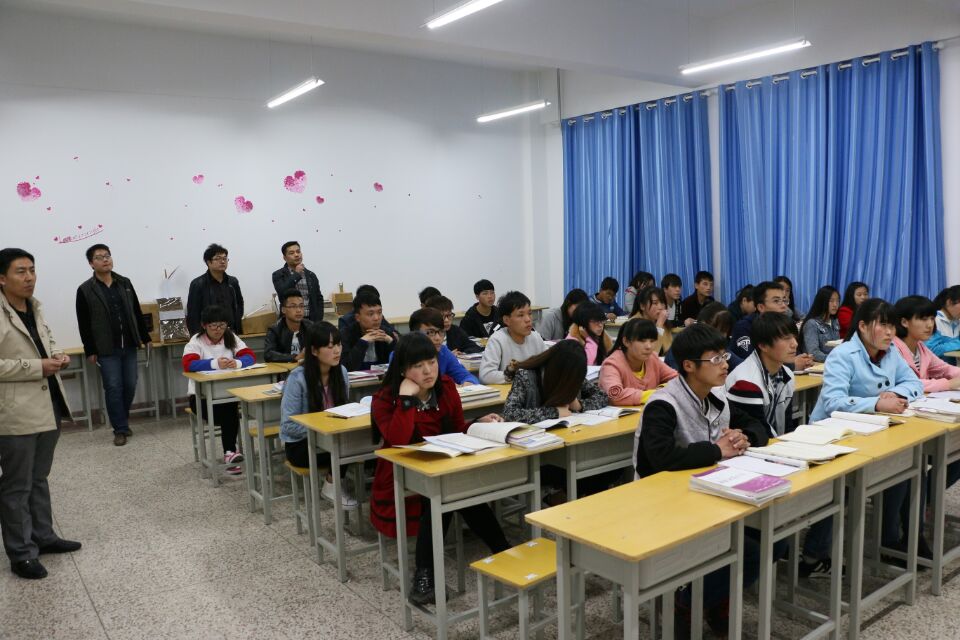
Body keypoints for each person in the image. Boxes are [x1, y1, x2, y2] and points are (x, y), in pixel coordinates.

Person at [635, 323, 777, 635]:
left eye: (724, 356)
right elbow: (661, 458)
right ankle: (689, 604)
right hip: (663, 502)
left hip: (709, 491)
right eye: (715, 359)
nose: (725, 364)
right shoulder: (663, 404)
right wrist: (716, 450)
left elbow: (758, 426)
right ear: (688, 366)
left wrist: (743, 437)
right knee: (752, 550)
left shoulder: (717, 396)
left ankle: (710, 600)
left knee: (776, 537)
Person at [370, 333, 509, 605]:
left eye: (432, 362)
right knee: (441, 496)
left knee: (453, 492)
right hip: (399, 477)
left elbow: (455, 429)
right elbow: (397, 440)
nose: (428, 371)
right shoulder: (385, 399)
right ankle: (431, 571)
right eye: (418, 365)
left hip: (441, 467)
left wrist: (477, 423)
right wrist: (406, 399)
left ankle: (432, 573)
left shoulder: (445, 387)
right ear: (403, 370)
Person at [800, 299, 924, 578]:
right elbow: (833, 401)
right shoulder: (843, 355)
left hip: (872, 433)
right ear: (863, 326)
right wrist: (876, 403)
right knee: (840, 492)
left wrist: (897, 394)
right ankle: (813, 555)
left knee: (902, 474)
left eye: (892, 326)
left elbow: (914, 382)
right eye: (883, 325)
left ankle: (888, 539)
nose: (890, 332)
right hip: (833, 435)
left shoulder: (890, 352)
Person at [0, 248, 81, 580]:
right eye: (21, 271)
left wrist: (59, 356)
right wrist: (37, 367)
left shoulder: (35, 307)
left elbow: (47, 341)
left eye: (32, 270)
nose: (29, 277)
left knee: (38, 477)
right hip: (15, 413)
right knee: (17, 484)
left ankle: (43, 536)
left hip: (49, 406)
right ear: (2, 278)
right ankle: (21, 553)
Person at [75, 243, 152, 446]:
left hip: (129, 344)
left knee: (130, 385)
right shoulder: (85, 290)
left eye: (107, 255)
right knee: (113, 387)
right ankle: (120, 429)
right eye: (99, 257)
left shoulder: (124, 283)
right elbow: (84, 323)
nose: (105, 259)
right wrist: (90, 349)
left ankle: (121, 420)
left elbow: (136, 311)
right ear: (91, 264)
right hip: (106, 348)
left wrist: (145, 337)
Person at [280, 322, 358, 509]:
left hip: (330, 439)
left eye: (338, 344)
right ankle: (332, 486)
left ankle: (333, 483)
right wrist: (322, 428)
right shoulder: (297, 378)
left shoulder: (341, 372)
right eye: (330, 347)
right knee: (343, 446)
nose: (337, 351)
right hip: (301, 445)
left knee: (357, 442)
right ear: (314, 351)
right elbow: (288, 426)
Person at [182, 305, 256, 475]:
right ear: (204, 325)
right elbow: (188, 364)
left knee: (229, 407)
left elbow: (250, 356)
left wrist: (238, 363)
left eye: (222, 325)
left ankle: (230, 453)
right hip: (199, 398)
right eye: (213, 326)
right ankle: (230, 452)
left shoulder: (231, 337)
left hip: (227, 396)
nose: (218, 330)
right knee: (230, 412)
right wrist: (214, 364)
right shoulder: (196, 341)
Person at [725, 312, 797, 437]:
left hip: (773, 443)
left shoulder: (787, 374)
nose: (795, 344)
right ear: (763, 345)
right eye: (786, 338)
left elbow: (787, 425)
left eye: (794, 337)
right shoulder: (745, 382)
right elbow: (757, 432)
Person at [729, 281, 815, 371]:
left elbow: (794, 354)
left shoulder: (785, 324)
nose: (784, 306)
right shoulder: (744, 327)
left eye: (784, 300)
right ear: (761, 307)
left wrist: (804, 360)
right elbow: (750, 363)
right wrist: (792, 365)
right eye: (776, 301)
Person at [599, 318, 678, 405]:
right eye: (642, 341)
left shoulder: (652, 358)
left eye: (652, 341)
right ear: (626, 341)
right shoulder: (611, 364)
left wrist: (662, 387)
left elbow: (679, 379)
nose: (648, 346)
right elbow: (615, 395)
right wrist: (657, 393)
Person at [479, 291, 547, 384]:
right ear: (506, 320)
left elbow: (548, 366)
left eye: (530, 313)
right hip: (509, 391)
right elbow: (486, 375)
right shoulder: (497, 339)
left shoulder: (535, 337)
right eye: (520, 315)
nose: (528, 319)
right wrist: (523, 376)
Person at [403, 308, 478, 385]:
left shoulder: (443, 352)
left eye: (441, 331)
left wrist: (468, 383)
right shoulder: (403, 354)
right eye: (430, 332)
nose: (438, 338)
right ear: (415, 334)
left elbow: (467, 376)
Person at [186, 243, 243, 335]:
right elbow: (193, 314)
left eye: (225, 258)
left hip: (231, 332)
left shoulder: (232, 282)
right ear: (208, 262)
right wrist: (197, 336)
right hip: (208, 334)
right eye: (218, 258)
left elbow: (239, 305)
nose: (222, 261)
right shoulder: (198, 284)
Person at [341, 291, 395, 371]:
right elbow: (346, 368)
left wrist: (391, 342)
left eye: (379, 312)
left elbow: (402, 364)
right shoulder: (345, 335)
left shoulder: (386, 333)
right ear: (357, 317)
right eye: (370, 314)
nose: (376, 318)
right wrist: (362, 342)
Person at [271, 241, 323, 322]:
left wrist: (318, 319)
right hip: (289, 321)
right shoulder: (278, 274)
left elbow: (318, 298)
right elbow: (282, 293)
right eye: (291, 253)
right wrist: (296, 274)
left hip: (310, 320)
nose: (296, 255)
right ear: (284, 258)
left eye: (298, 251)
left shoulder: (311, 275)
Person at [264, 289, 311, 363]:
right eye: (293, 306)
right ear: (283, 310)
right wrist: (295, 357)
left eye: (301, 306)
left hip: (307, 368)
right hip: (284, 369)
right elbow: (268, 354)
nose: (299, 310)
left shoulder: (310, 327)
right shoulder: (275, 330)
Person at [800, 286, 841, 362]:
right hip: (817, 364)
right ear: (822, 302)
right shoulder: (812, 324)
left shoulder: (835, 321)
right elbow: (813, 353)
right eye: (831, 301)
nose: (835, 304)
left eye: (837, 301)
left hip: (832, 362)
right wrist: (835, 359)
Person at [565, 301, 612, 366]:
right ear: (583, 323)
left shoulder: (601, 337)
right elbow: (587, 363)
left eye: (602, 321)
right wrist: (589, 340)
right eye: (595, 321)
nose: (601, 325)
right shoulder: (572, 341)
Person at [629, 286, 672, 356]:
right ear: (642, 306)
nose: (660, 307)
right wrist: (659, 324)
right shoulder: (634, 324)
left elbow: (670, 351)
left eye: (662, 303)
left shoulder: (664, 323)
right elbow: (649, 355)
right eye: (655, 303)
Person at [926, 285, 960, 361]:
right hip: (934, 367)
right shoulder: (934, 320)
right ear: (949, 302)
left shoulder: (956, 321)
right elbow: (930, 349)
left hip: (950, 367)